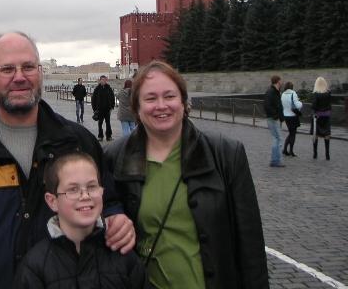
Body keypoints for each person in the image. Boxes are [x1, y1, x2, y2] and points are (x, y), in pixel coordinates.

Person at [0, 32, 135, 289]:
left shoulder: (77, 143)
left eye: (28, 67)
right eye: (8, 69)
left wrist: (116, 217)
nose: (19, 77)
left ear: (40, 73)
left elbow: (108, 200)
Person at [106, 60, 269, 289]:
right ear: (137, 108)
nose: (161, 105)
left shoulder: (225, 155)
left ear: (183, 102)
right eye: (150, 98)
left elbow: (250, 246)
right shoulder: (114, 158)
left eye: (170, 96)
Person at [13, 152, 148, 289]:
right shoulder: (35, 267)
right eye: (73, 189)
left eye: (92, 187)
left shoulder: (124, 256)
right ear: (52, 201)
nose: (85, 196)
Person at [263, 75, 285, 167]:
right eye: (281, 80)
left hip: (274, 118)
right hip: (272, 118)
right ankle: (276, 160)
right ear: (278, 81)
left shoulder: (275, 91)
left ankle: (275, 160)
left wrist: (281, 117)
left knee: (276, 138)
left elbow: (278, 106)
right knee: (278, 139)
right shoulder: (271, 92)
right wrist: (276, 116)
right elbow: (267, 106)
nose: (282, 82)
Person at [311, 76, 332, 160]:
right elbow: (330, 105)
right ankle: (327, 154)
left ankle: (315, 153)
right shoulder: (328, 93)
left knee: (315, 134)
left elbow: (314, 106)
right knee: (327, 134)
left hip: (317, 116)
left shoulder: (316, 94)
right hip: (326, 116)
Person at [281, 81, 302, 157]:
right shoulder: (293, 93)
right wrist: (300, 102)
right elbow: (298, 106)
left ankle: (285, 149)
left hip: (286, 116)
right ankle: (291, 151)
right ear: (292, 87)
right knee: (293, 134)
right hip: (293, 116)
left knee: (290, 133)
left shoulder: (283, 94)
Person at [91, 75, 115, 141]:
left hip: (107, 109)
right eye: (102, 80)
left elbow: (112, 97)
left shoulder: (108, 88)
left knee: (108, 123)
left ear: (106, 80)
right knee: (100, 123)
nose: (103, 81)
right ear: (100, 80)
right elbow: (93, 99)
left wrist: (112, 106)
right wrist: (94, 109)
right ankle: (100, 136)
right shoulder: (97, 89)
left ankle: (109, 136)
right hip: (99, 110)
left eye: (105, 80)